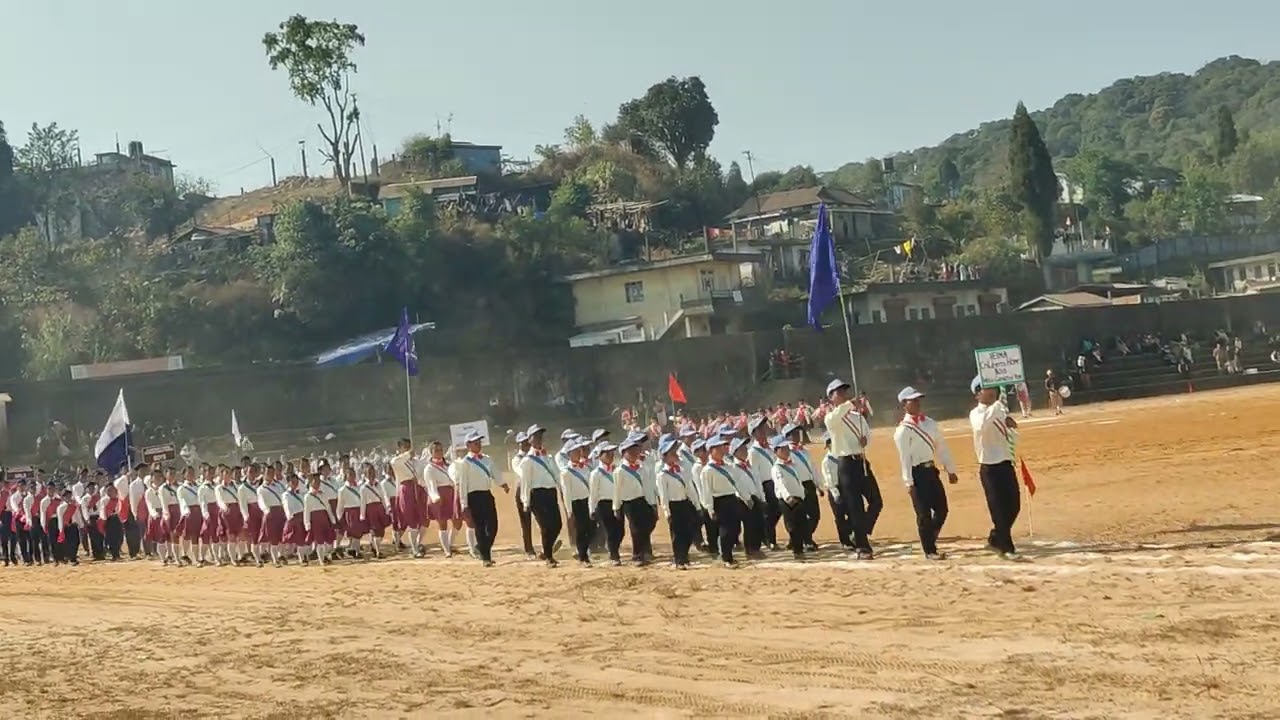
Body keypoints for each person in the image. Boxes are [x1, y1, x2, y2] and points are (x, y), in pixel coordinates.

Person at [892, 387, 959, 560]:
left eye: (918, 400)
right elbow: (904, 458)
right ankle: (929, 550)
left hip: (931, 471)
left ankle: (930, 537)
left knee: (942, 510)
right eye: (912, 400)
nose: (917, 403)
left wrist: (950, 469)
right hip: (917, 474)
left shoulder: (929, 423)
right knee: (923, 514)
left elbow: (941, 447)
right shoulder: (902, 431)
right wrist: (909, 482)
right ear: (904, 405)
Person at [824, 379, 882, 559]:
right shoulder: (832, 417)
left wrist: (866, 440)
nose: (843, 394)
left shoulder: (857, 416)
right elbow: (837, 417)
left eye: (844, 391)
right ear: (831, 398)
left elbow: (867, 435)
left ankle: (858, 533)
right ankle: (863, 547)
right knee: (855, 506)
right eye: (838, 392)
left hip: (861, 461)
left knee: (876, 501)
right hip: (846, 464)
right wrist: (849, 404)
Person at [970, 375, 1023, 560]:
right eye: (987, 388)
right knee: (998, 509)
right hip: (989, 467)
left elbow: (1012, 438)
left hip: (1006, 463)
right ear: (978, 394)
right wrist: (997, 408)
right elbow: (981, 426)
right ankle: (1007, 547)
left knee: (1014, 505)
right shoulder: (976, 413)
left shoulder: (999, 411)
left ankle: (996, 537)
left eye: (994, 388)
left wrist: (1011, 427)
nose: (993, 391)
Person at [450, 431, 507, 567]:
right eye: (475, 442)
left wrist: (502, 483)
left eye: (479, 442)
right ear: (468, 445)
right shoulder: (465, 463)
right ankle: (485, 557)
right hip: (473, 497)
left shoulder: (487, 459)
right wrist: (464, 504)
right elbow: (463, 484)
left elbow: (495, 473)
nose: (478, 444)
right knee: (480, 527)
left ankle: (482, 548)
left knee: (493, 526)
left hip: (486, 494)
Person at [518, 424, 564, 567]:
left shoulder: (548, 457)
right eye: (536, 436)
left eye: (540, 436)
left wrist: (562, 488)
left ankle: (546, 550)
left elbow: (557, 475)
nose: (539, 439)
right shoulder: (527, 460)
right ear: (529, 440)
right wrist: (525, 501)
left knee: (557, 524)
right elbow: (526, 482)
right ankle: (549, 557)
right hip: (537, 495)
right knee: (545, 526)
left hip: (551, 493)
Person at [699, 436, 748, 567]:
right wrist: (710, 508)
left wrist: (745, 497)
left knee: (735, 528)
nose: (722, 450)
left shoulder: (728, 466)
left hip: (731, 498)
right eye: (718, 448)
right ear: (711, 450)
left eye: (723, 447)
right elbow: (707, 491)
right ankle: (726, 557)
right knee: (725, 530)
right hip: (719, 500)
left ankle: (728, 554)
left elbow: (737, 483)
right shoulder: (707, 470)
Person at [655, 435, 699, 569]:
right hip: (674, 506)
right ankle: (679, 559)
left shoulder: (682, 470)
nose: (675, 455)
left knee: (688, 532)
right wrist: (667, 512)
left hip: (685, 503)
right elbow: (664, 496)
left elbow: (690, 488)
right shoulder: (662, 475)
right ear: (665, 456)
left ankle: (685, 556)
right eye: (672, 453)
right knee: (677, 534)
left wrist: (696, 504)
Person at [614, 436, 657, 566]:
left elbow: (648, 487)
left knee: (649, 523)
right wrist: (616, 507)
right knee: (636, 529)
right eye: (630, 451)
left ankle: (643, 550)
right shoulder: (619, 471)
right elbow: (617, 489)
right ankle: (638, 555)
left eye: (636, 450)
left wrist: (652, 503)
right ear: (623, 453)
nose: (634, 454)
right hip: (629, 502)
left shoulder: (642, 468)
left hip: (643, 500)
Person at [769, 436, 810, 560]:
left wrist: (802, 494)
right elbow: (780, 484)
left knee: (802, 524)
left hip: (798, 498)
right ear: (776, 451)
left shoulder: (793, 464)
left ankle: (799, 548)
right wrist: (788, 497)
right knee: (792, 526)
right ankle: (797, 551)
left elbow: (798, 481)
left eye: (787, 448)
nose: (786, 451)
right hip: (787, 501)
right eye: (783, 449)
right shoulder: (776, 468)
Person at [421, 441, 463, 558]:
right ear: (431, 453)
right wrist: (435, 497)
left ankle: (449, 543)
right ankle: (446, 550)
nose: (439, 452)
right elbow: (430, 485)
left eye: (440, 450)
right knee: (442, 524)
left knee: (457, 521)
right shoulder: (429, 468)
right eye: (436, 450)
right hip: (439, 496)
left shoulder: (449, 465)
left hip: (451, 494)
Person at [782, 423, 819, 551]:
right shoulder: (786, 453)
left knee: (814, 514)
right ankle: (806, 540)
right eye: (793, 434)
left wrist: (817, 484)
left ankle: (803, 537)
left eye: (798, 433)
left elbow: (812, 468)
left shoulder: (804, 451)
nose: (796, 436)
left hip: (809, 484)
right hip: (797, 486)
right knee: (799, 516)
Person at [558, 437, 594, 566]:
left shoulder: (586, 468)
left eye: (579, 450)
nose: (578, 453)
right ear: (569, 454)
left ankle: (585, 551)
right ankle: (583, 556)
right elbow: (567, 493)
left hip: (587, 501)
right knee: (580, 530)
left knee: (591, 528)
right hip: (576, 503)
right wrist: (569, 510)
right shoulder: (566, 473)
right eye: (575, 451)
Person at [588, 442, 624, 566]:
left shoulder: (617, 470)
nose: (610, 455)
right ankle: (614, 555)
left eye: (612, 453)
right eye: (607, 453)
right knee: (610, 530)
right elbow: (593, 494)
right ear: (600, 456)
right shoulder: (595, 473)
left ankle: (614, 550)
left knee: (620, 530)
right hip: (604, 504)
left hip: (617, 502)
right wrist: (592, 509)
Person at [746, 416, 779, 551]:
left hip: (776, 481)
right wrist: (760, 492)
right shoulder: (753, 452)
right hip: (765, 484)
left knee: (777, 511)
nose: (764, 431)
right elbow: (755, 473)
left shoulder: (770, 446)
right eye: (760, 429)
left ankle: (767, 536)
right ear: (754, 433)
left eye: (763, 428)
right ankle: (769, 539)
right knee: (770, 512)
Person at [391, 438, 425, 558]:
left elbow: (423, 469)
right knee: (410, 519)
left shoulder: (415, 462)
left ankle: (416, 545)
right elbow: (397, 463)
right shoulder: (396, 460)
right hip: (406, 490)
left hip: (417, 488)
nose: (408, 449)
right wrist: (407, 455)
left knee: (418, 519)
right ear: (399, 448)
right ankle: (414, 548)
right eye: (405, 447)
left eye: (409, 447)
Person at [818, 434, 852, 549]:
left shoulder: (843, 456)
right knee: (840, 516)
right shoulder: (827, 461)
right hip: (835, 489)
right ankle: (845, 541)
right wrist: (836, 494)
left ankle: (851, 534)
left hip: (846, 487)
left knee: (853, 513)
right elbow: (829, 480)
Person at [510, 431, 536, 559]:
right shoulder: (516, 459)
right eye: (523, 443)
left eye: (527, 442)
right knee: (526, 521)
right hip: (522, 490)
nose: (526, 444)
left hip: (536, 489)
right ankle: (529, 548)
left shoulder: (534, 456)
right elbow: (522, 472)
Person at [303, 474, 338, 565]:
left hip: (324, 518)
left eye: (319, 481)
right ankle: (321, 559)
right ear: (311, 482)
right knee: (320, 541)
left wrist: (332, 519)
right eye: (315, 481)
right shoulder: (308, 496)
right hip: (315, 520)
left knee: (329, 540)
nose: (317, 483)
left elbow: (328, 508)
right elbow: (306, 511)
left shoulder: (324, 494)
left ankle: (325, 555)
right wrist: (307, 524)